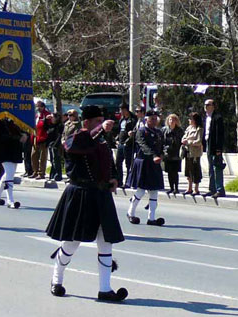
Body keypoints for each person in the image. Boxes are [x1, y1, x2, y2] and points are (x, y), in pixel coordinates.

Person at [45, 105, 127, 302]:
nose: (101, 125)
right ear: (86, 123)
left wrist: (114, 178)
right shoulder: (76, 138)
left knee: (106, 242)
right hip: (81, 194)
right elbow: (74, 146)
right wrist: (99, 129)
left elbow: (108, 162)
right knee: (72, 242)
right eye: (97, 121)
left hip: (101, 194)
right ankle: (57, 280)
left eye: (101, 121)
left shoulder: (100, 140)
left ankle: (105, 289)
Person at [126, 110, 166, 226]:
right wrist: (154, 156)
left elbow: (162, 145)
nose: (154, 121)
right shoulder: (141, 131)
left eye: (155, 119)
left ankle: (151, 218)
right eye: (151, 119)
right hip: (144, 162)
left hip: (154, 163)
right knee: (141, 190)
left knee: (154, 191)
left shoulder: (158, 132)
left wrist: (162, 154)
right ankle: (131, 213)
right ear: (146, 119)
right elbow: (143, 145)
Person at [0, 119, 26, 209]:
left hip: (14, 150)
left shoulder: (15, 122)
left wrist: (24, 135)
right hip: (4, 151)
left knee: (8, 174)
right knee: (9, 174)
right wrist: (17, 137)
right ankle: (10, 201)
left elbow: (21, 133)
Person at [203, 99, 225, 197]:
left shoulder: (217, 118)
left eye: (208, 104)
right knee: (211, 167)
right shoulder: (207, 118)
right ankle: (212, 189)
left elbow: (219, 134)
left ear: (213, 106)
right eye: (205, 105)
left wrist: (218, 149)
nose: (206, 106)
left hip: (215, 145)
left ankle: (220, 189)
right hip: (208, 143)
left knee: (217, 167)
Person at [181, 112, 204, 195]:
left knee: (195, 170)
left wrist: (189, 142)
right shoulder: (189, 128)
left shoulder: (199, 129)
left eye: (191, 119)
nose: (189, 120)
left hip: (195, 153)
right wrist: (183, 140)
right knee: (188, 170)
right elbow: (184, 136)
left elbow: (198, 141)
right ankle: (189, 188)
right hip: (188, 152)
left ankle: (196, 189)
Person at [162, 113, 184, 194]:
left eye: (173, 119)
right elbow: (162, 141)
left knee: (175, 172)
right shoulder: (164, 130)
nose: (171, 121)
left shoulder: (180, 130)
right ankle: (171, 188)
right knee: (169, 172)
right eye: (170, 119)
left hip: (176, 154)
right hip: (167, 154)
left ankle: (176, 188)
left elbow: (182, 141)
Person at [116, 104, 136, 185]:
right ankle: (119, 181)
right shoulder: (122, 120)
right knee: (118, 163)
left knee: (128, 164)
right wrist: (116, 139)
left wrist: (128, 140)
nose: (121, 112)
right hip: (120, 143)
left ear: (126, 110)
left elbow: (134, 132)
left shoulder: (133, 119)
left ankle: (128, 181)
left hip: (128, 144)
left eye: (122, 110)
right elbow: (120, 130)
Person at [31, 101, 51, 179]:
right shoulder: (36, 115)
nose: (38, 108)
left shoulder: (47, 115)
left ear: (43, 107)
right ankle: (35, 171)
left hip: (43, 138)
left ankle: (41, 173)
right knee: (34, 155)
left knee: (43, 156)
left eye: (39, 106)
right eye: (37, 106)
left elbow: (49, 126)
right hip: (36, 137)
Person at [47, 113, 64, 181]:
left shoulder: (59, 125)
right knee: (52, 160)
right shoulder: (51, 125)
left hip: (56, 145)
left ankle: (58, 174)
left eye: (53, 117)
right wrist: (46, 119)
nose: (51, 118)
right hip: (50, 144)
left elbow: (59, 136)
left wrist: (55, 144)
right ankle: (53, 174)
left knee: (56, 160)